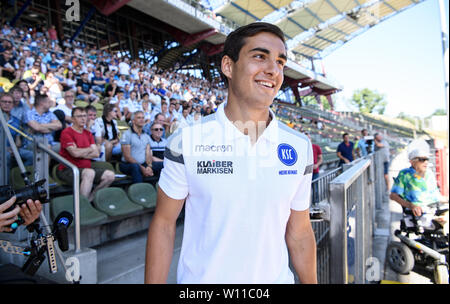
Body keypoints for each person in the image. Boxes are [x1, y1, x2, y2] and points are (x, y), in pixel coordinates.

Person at [145, 22, 317, 284]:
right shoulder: (187, 142)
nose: (273, 70)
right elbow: (164, 225)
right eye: (260, 56)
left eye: (280, 62)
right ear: (228, 66)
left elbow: (300, 232)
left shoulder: (299, 146)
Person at [57, 107, 115, 202]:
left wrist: (80, 151)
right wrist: (89, 149)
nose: (83, 119)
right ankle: (81, 206)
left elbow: (96, 153)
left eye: (84, 116)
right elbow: (74, 153)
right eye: (79, 116)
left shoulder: (87, 133)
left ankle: (89, 200)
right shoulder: (66, 132)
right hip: (68, 169)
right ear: (72, 119)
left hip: (86, 168)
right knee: (89, 173)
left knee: (110, 175)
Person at [390, 149, 448, 229]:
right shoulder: (405, 174)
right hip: (421, 212)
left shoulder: (429, 173)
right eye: (422, 160)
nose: (426, 162)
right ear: (412, 161)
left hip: (435, 209)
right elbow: (393, 196)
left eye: (427, 159)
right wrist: (411, 206)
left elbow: (437, 196)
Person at [119, 111, 154, 183]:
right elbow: (127, 157)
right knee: (135, 167)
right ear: (133, 121)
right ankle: (140, 191)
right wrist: (142, 168)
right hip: (128, 165)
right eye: (139, 118)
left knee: (161, 165)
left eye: (143, 118)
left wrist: (149, 166)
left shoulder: (146, 136)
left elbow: (148, 154)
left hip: (143, 164)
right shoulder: (126, 134)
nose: (142, 119)